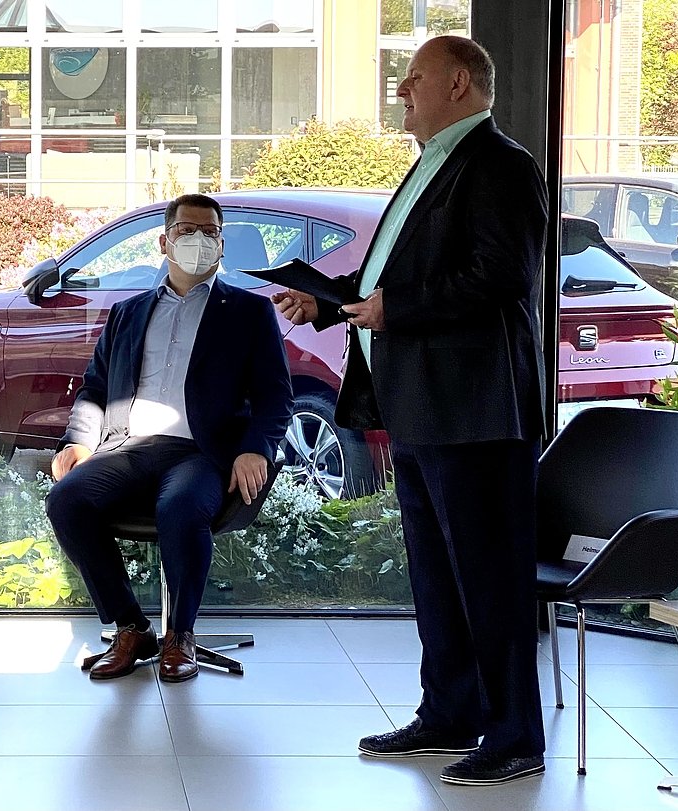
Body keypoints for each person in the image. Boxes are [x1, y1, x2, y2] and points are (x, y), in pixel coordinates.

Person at [272, 36, 548, 786]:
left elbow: (501, 277)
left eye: (414, 77)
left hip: (477, 411)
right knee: (436, 577)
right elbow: (399, 274)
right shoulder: (433, 161)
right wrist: (330, 302)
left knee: (488, 578)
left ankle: (515, 735)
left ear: (458, 83)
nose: (400, 90)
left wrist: (395, 308)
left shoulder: (501, 165)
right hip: (423, 406)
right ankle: (450, 713)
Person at [46, 193, 293, 683]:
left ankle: (181, 635)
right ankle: (132, 628)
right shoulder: (127, 312)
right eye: (186, 231)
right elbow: (96, 388)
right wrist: (78, 441)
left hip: (201, 452)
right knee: (66, 500)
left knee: (180, 507)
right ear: (164, 241)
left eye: (209, 232)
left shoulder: (248, 312)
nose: (198, 241)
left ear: (222, 245)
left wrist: (255, 448)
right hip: (128, 448)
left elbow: (275, 397)